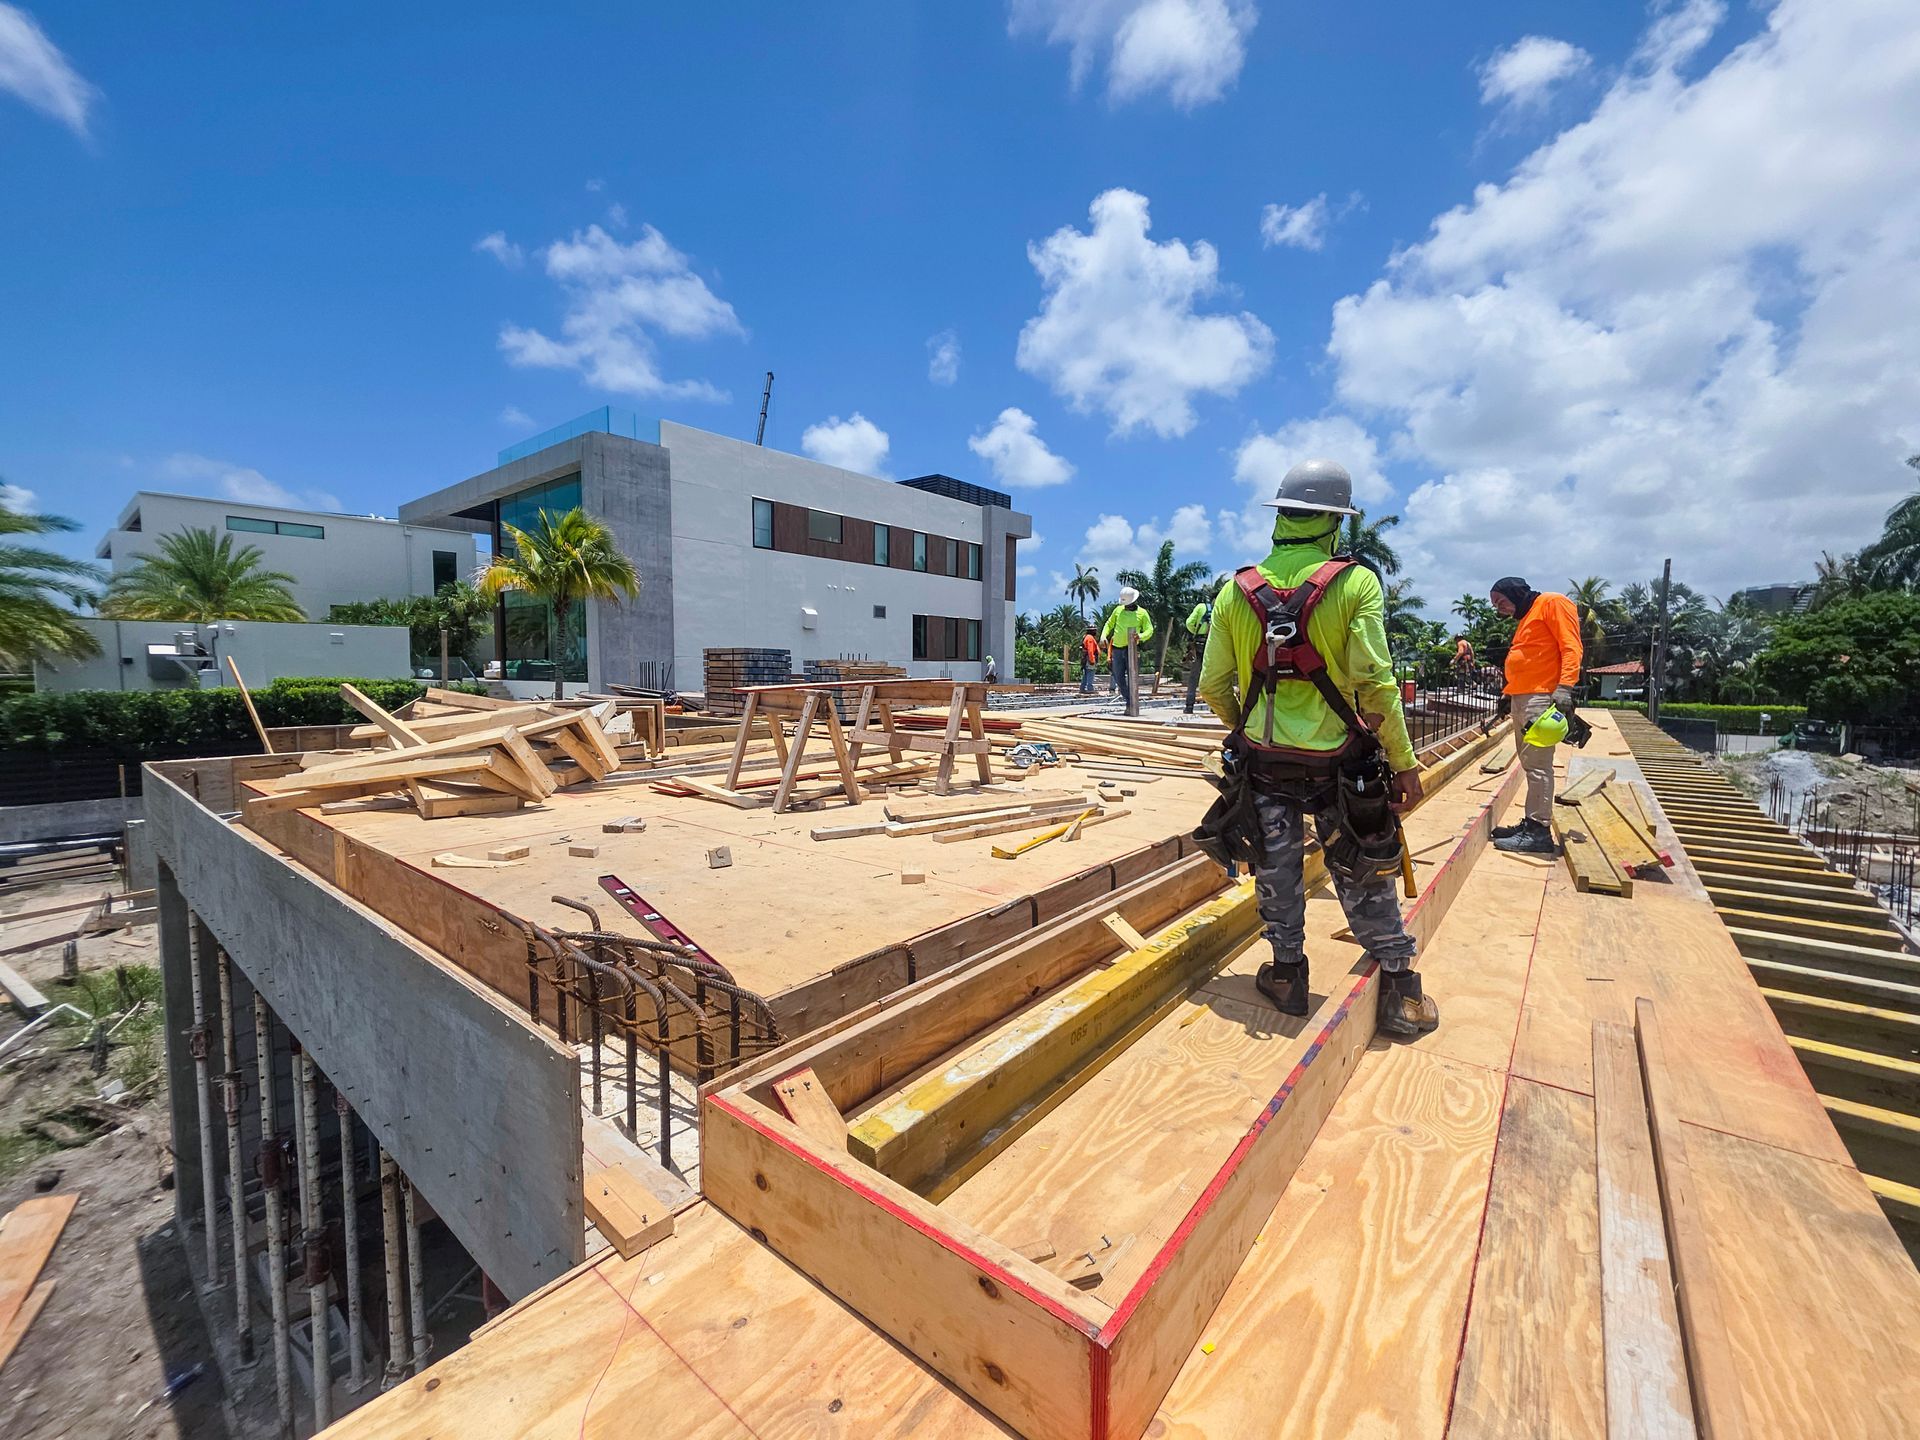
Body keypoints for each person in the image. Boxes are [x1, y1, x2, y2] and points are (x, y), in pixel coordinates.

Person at [1197, 458, 1438, 1039]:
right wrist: (1403, 764)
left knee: (1275, 870)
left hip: (1266, 764)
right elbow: (1378, 683)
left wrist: (1246, 727)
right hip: (1341, 765)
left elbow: (1211, 684)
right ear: (1336, 521)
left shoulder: (1237, 590)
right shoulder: (1355, 583)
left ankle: (1286, 976)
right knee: (1363, 867)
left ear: (1280, 515)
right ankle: (1402, 991)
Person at [1486, 575, 1583, 854]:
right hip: (1525, 696)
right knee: (1530, 763)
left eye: (1501, 601)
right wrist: (1508, 694)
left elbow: (1571, 646)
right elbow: (1529, 660)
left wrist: (1565, 686)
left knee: (1538, 765)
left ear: (1515, 593)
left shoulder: (1552, 603)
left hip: (1540, 698)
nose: (1499, 608)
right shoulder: (1527, 618)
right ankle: (1531, 822)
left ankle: (1539, 831)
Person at [1100, 586, 1154, 706]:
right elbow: (1109, 623)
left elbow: (1149, 629)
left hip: (1132, 649)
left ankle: (1131, 703)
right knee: (1118, 676)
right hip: (1117, 649)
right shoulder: (1118, 610)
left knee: (1132, 677)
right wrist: (1103, 635)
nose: (1126, 606)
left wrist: (1140, 636)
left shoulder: (1142, 613)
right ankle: (1129, 699)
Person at [1182, 578, 1226, 715]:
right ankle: (1214, 707)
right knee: (1214, 677)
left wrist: (1196, 630)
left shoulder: (1201, 607)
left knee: (1194, 677)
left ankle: (1189, 706)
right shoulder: (1223, 608)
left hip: (1199, 644)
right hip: (1216, 646)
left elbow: (1189, 622)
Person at [1079, 625, 1099, 694]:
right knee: (1090, 673)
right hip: (1089, 659)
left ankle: (1082, 688)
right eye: (1095, 630)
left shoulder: (1086, 637)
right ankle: (1090, 688)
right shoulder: (1090, 638)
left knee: (1086, 674)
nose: (1096, 632)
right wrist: (1092, 660)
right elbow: (1090, 650)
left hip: (1086, 659)